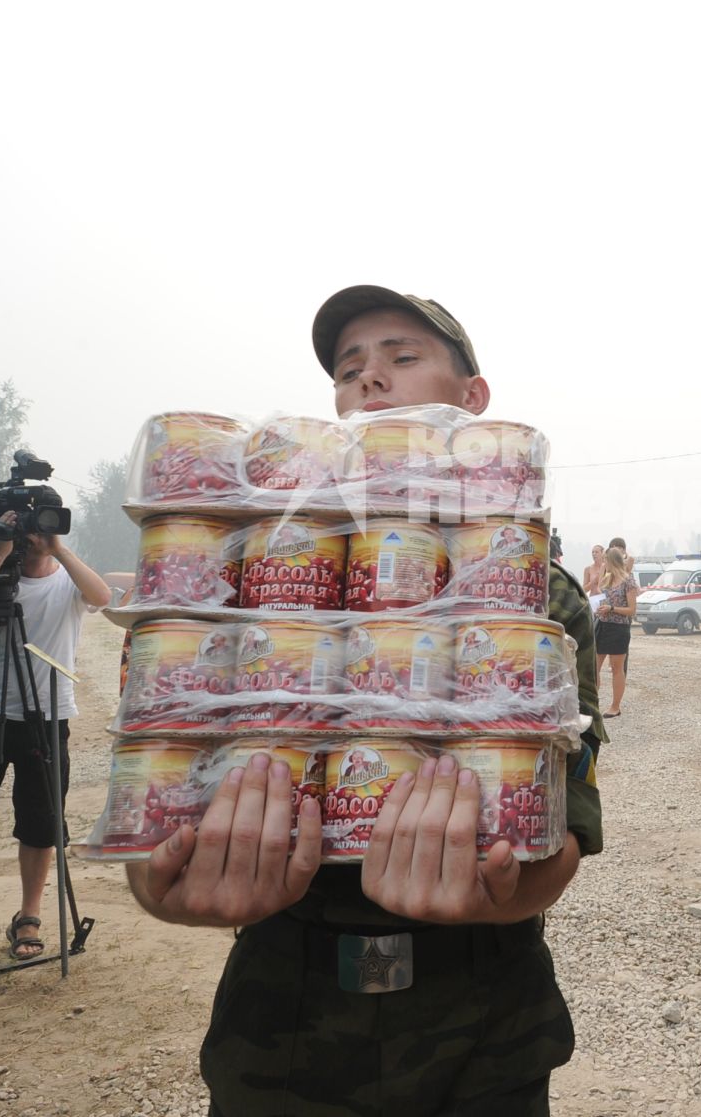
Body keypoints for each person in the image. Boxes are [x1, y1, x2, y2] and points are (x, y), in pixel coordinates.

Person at [128, 285, 606, 1117]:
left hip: (484, 1025)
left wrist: (506, 889)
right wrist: (160, 884)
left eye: (402, 357)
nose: (370, 381)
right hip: (284, 1022)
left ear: (472, 402)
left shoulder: (538, 602)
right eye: (350, 372)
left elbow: (561, 843)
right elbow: (163, 799)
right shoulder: (242, 586)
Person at [0, 510, 111, 968]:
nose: (32, 541)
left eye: (39, 532)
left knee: (40, 821)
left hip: (47, 716)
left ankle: (29, 915)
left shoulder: (67, 581)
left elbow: (102, 596)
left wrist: (59, 549)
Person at [595, 547, 637, 717]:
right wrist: (599, 608)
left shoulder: (628, 581)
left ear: (612, 561)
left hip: (619, 628)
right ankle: (592, 702)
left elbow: (632, 610)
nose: (603, 563)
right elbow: (599, 594)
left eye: (605, 560)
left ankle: (615, 706)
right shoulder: (606, 579)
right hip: (602, 625)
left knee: (616, 668)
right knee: (593, 667)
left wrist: (611, 608)